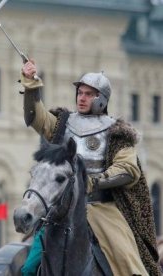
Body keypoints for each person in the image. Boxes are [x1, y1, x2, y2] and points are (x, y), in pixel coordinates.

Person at [19, 60, 160, 275]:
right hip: (62, 209)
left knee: (130, 265)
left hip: (100, 210)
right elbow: (34, 117)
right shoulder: (62, 123)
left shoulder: (116, 132)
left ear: (101, 100)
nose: (82, 97)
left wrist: (92, 181)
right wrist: (30, 82)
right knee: (29, 267)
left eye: (89, 94)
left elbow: (128, 168)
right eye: (80, 92)